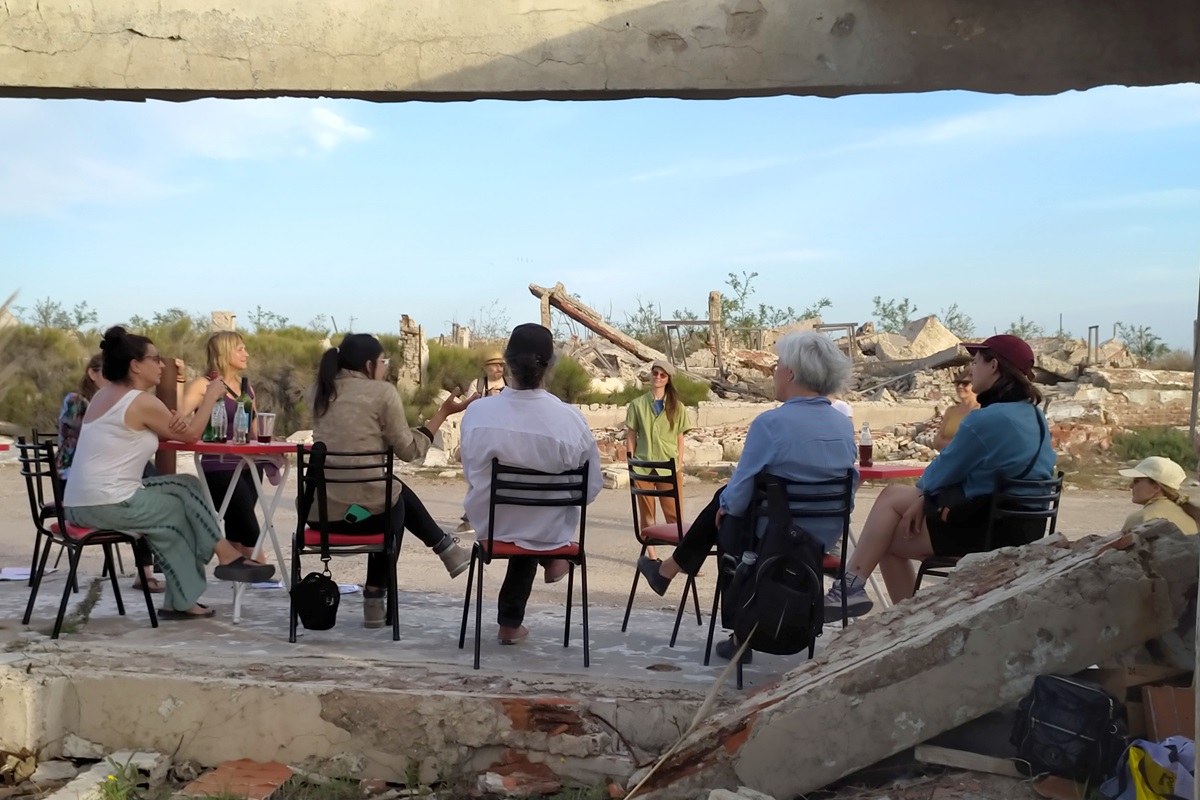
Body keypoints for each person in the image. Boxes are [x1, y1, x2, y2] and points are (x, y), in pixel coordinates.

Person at [636, 331, 858, 661]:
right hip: (822, 539)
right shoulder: (843, 425)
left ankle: (740, 634)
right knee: (727, 501)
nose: (774, 372)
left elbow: (739, 494)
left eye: (778, 365)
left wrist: (727, 507)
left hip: (772, 541)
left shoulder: (771, 424)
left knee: (726, 509)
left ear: (793, 374)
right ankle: (670, 571)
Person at [828, 334, 1055, 620]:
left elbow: (940, 471)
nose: (971, 371)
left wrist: (924, 496)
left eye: (975, 362)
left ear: (994, 366)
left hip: (988, 531)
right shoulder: (1035, 417)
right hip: (1025, 526)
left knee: (887, 523)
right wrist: (925, 498)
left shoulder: (987, 418)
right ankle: (857, 590)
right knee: (892, 510)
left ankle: (875, 603)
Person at [64, 326, 276, 620]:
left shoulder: (105, 395)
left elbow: (174, 428)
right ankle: (226, 556)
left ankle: (182, 600)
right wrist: (211, 395)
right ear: (135, 365)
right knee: (184, 495)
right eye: (155, 359)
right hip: (109, 503)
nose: (161, 365)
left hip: (78, 504)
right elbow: (189, 434)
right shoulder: (139, 400)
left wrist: (172, 421)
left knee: (179, 502)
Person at [310, 333, 474, 629]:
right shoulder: (381, 393)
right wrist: (443, 413)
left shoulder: (320, 392)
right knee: (391, 499)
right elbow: (410, 450)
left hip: (320, 515)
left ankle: (446, 550)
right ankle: (378, 594)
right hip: (361, 517)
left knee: (390, 489)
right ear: (370, 364)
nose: (386, 368)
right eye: (384, 362)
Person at [460, 324, 603, 645]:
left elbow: (472, 473)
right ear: (550, 366)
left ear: (507, 364)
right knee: (535, 526)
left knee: (520, 522)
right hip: (550, 532)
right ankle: (551, 559)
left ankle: (511, 621)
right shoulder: (570, 419)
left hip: (493, 528)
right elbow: (591, 488)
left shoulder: (478, 413)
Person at [57, 353, 163, 593]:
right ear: (92, 374)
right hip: (77, 480)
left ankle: (147, 569)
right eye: (106, 373)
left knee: (146, 485)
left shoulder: (119, 401)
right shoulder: (78, 400)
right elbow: (95, 442)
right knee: (148, 487)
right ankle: (149, 570)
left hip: (105, 478)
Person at [180, 331, 262, 559]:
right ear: (224, 353)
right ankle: (261, 569)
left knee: (237, 520)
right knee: (246, 518)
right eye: (240, 349)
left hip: (249, 465)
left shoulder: (246, 388)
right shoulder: (202, 385)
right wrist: (179, 382)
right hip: (219, 465)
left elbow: (254, 432)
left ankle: (234, 570)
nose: (246, 354)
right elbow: (179, 416)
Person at [624, 360, 692, 559]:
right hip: (643, 465)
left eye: (663, 375)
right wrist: (631, 462)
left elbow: (680, 437)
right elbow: (631, 436)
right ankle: (651, 554)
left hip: (668, 466)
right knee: (646, 512)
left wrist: (679, 464)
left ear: (668, 379)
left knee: (674, 514)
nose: (658, 378)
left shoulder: (677, 407)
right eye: (655, 373)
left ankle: (683, 558)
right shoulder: (637, 405)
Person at [1119, 457, 1199, 535]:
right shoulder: (1190, 516)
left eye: (1137, 481)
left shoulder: (1140, 518)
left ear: (1156, 487)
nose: (1131, 486)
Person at [932, 369, 979, 451]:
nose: (960, 386)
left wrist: (946, 444)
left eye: (965, 383)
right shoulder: (950, 411)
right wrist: (958, 446)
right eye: (957, 383)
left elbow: (974, 446)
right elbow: (937, 442)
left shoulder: (982, 411)